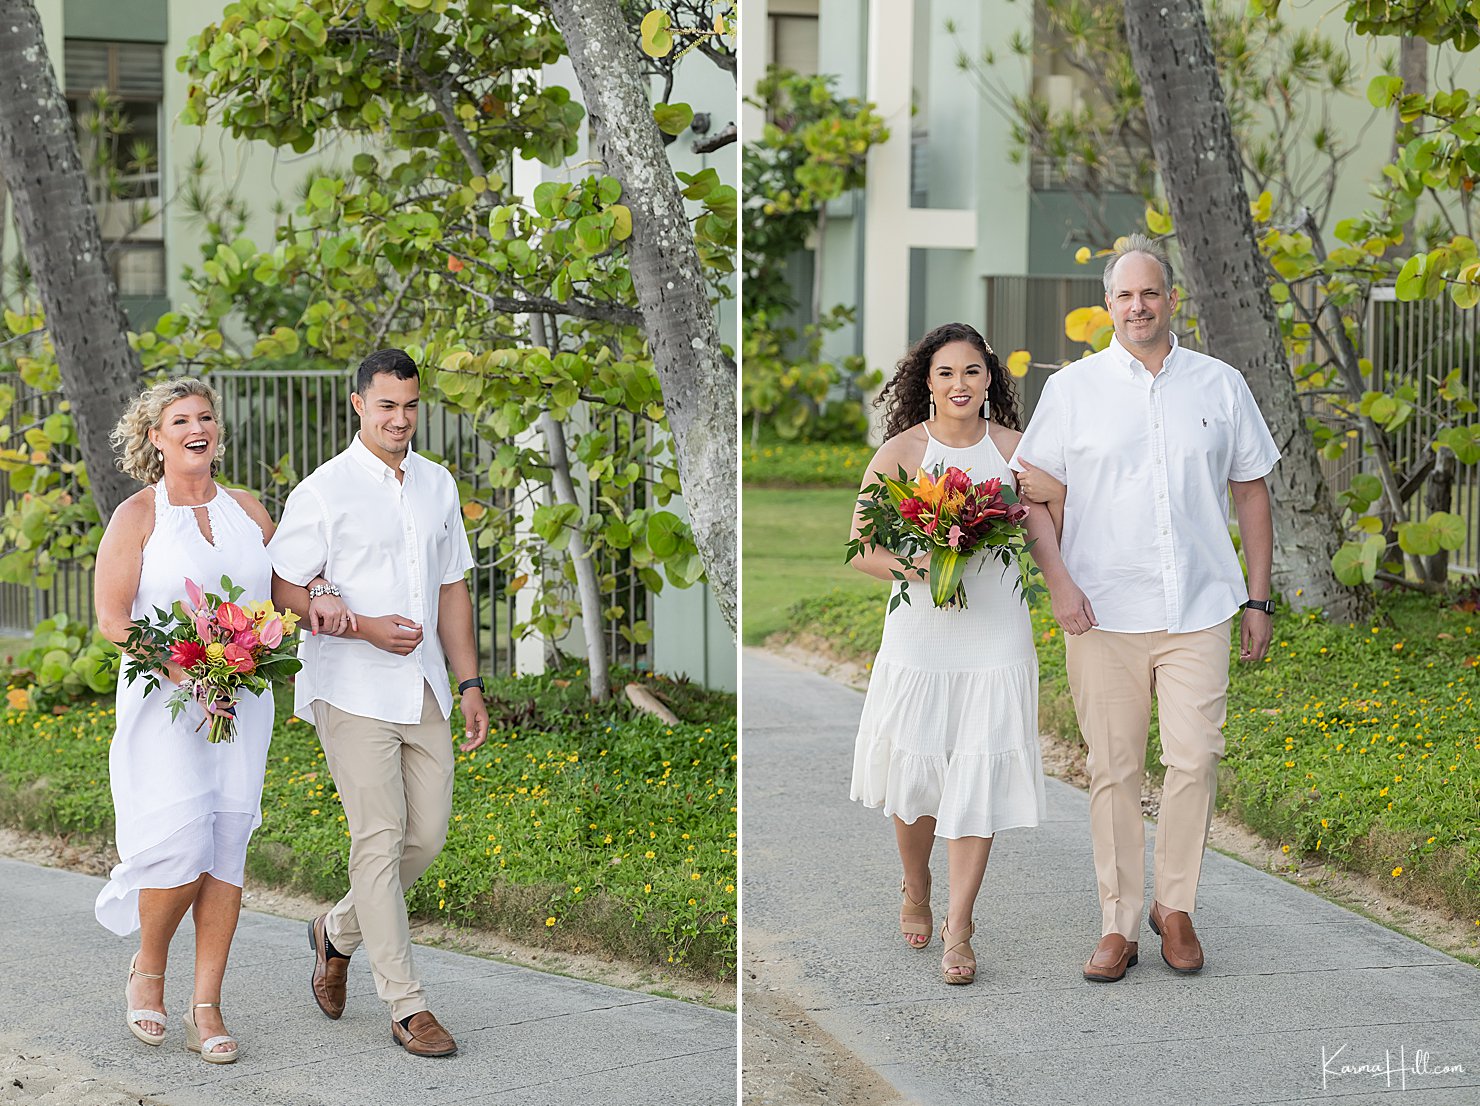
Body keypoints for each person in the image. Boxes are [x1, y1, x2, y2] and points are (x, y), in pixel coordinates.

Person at [1012, 234, 1279, 983]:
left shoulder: (1220, 385)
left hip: (1201, 607)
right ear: (1107, 308)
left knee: (1195, 759)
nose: (1139, 306)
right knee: (1114, 769)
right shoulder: (1072, 390)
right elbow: (1030, 494)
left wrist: (1258, 597)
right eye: (1125, 296)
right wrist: (1059, 583)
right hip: (1102, 612)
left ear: (1171, 300)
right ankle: (1119, 923)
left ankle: (1177, 907)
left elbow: (1252, 489)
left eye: (1151, 293)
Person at [268, 348, 489, 1058]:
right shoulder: (324, 491)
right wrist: (356, 622)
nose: (401, 419)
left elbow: (453, 587)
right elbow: (282, 591)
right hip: (351, 686)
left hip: (421, 685)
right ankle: (406, 1006)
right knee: (381, 838)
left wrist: (470, 682)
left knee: (424, 838)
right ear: (358, 404)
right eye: (387, 405)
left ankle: (334, 933)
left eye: (411, 405)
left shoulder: (437, 484)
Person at [95, 378, 314, 1063]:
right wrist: (183, 667)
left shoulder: (249, 509)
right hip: (167, 704)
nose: (198, 427)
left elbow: (288, 594)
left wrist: (322, 602)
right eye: (180, 419)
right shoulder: (137, 515)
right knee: (179, 845)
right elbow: (112, 618)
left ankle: (206, 1005)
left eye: (206, 417)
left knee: (225, 848)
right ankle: (149, 970)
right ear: (155, 438)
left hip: (242, 705)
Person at [848, 322, 1051, 985]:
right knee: (917, 780)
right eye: (946, 373)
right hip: (922, 637)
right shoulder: (902, 452)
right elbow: (862, 547)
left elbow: (1057, 511)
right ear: (926, 383)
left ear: (990, 378)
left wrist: (1022, 519)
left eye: (971, 371)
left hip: (996, 631)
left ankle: (960, 928)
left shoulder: (1020, 452)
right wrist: (922, 562)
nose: (959, 384)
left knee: (979, 776)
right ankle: (916, 883)